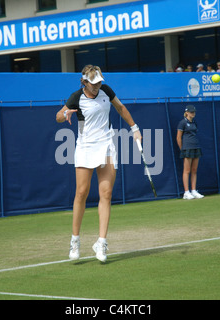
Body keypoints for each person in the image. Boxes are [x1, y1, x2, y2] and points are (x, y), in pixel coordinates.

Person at [56, 65, 142, 263]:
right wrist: (65, 114)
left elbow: (120, 108)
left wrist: (134, 128)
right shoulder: (76, 97)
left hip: (106, 145)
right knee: (81, 193)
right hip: (85, 147)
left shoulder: (107, 91)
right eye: (93, 83)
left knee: (106, 194)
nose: (97, 86)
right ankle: (75, 240)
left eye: (99, 82)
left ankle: (101, 242)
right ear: (84, 82)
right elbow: (58, 116)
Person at [176, 105, 204, 200]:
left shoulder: (194, 122)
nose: (193, 113)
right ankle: (186, 192)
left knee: (194, 170)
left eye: (194, 112)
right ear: (186, 112)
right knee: (187, 171)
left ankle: (194, 190)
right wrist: (182, 149)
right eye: (191, 112)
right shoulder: (182, 123)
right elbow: (178, 138)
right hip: (187, 148)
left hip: (196, 147)